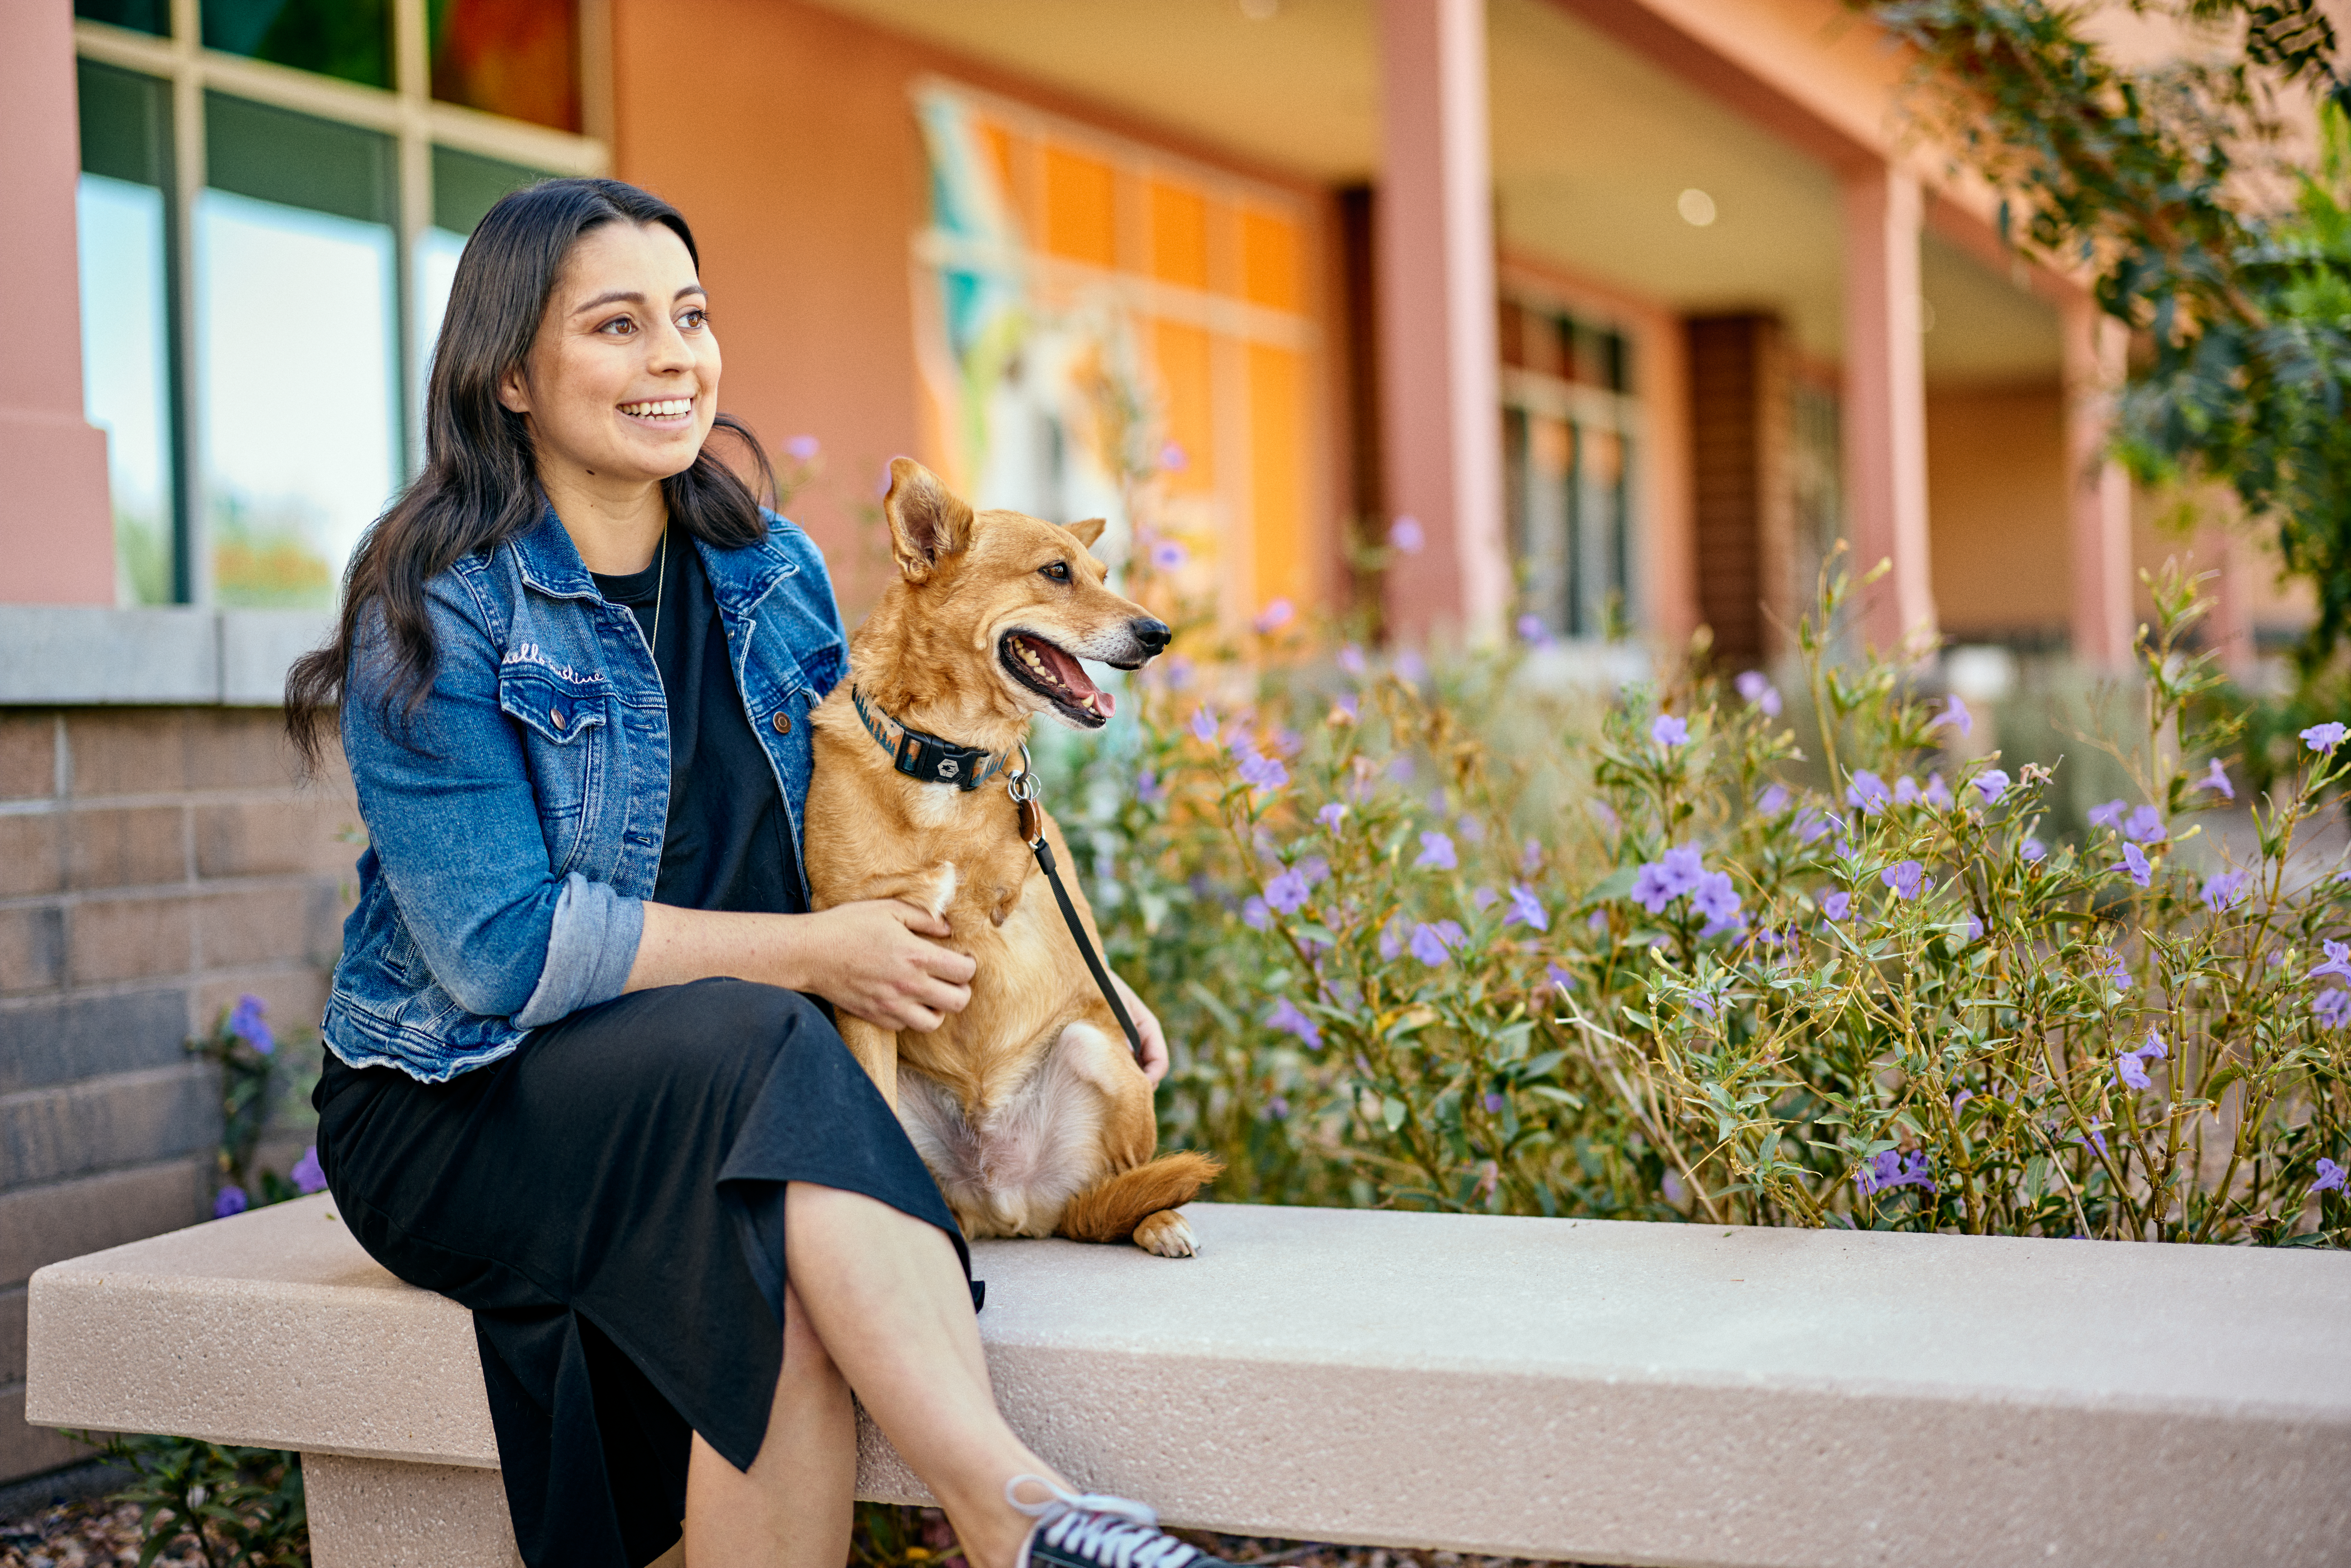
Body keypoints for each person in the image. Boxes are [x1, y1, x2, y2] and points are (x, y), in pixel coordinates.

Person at [285, 177, 1219, 1568]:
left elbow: (901, 814)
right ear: (510, 376)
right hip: (464, 1101)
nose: (673, 357)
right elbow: (498, 954)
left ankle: (1025, 1523)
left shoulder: (764, 568)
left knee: (768, 1279)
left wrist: (1079, 985)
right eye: (617, 325)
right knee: (772, 1027)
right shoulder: (439, 600)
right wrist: (810, 954)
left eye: (691, 316)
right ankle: (1013, 1504)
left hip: (729, 1093)